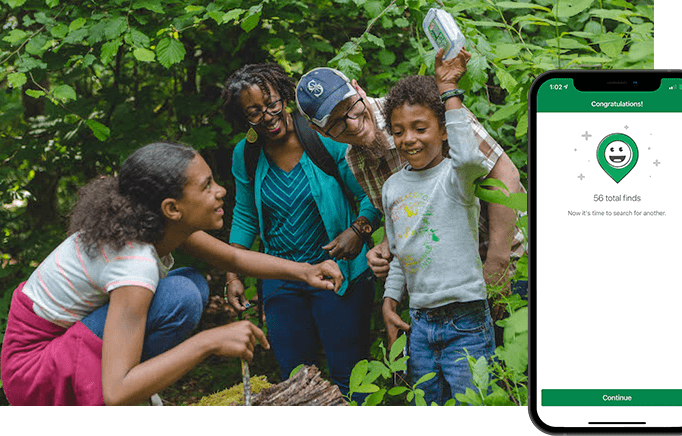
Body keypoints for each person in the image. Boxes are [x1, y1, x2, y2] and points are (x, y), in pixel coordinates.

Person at [0, 142, 343, 406]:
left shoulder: (156, 226)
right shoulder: (134, 264)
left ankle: (134, 386)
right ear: (172, 209)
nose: (220, 191)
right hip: (36, 374)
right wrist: (209, 341)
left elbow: (234, 259)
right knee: (181, 297)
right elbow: (117, 392)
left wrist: (306, 271)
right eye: (207, 186)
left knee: (191, 282)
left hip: (58, 349)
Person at [295, 60, 528, 329]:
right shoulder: (356, 161)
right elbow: (410, 218)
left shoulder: (419, 112)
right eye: (335, 123)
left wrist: (497, 264)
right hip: (452, 288)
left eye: (351, 107)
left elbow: (504, 175)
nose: (353, 124)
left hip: (509, 259)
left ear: (357, 89)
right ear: (318, 131)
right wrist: (386, 249)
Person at [220, 63, 379, 398]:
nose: (267, 116)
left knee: (350, 377)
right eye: (254, 112)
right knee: (293, 380)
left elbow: (370, 197)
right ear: (242, 117)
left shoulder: (323, 137)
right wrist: (234, 275)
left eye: (273, 103)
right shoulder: (246, 154)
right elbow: (246, 215)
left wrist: (358, 232)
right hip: (282, 278)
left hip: (339, 274)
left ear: (285, 97)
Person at [379, 49, 496, 405]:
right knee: (425, 407)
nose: (408, 139)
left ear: (443, 131)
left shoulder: (455, 177)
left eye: (420, 128)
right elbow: (401, 252)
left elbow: (469, 156)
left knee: (473, 406)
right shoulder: (392, 187)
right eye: (399, 132)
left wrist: (449, 90)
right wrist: (389, 299)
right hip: (419, 323)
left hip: (466, 320)